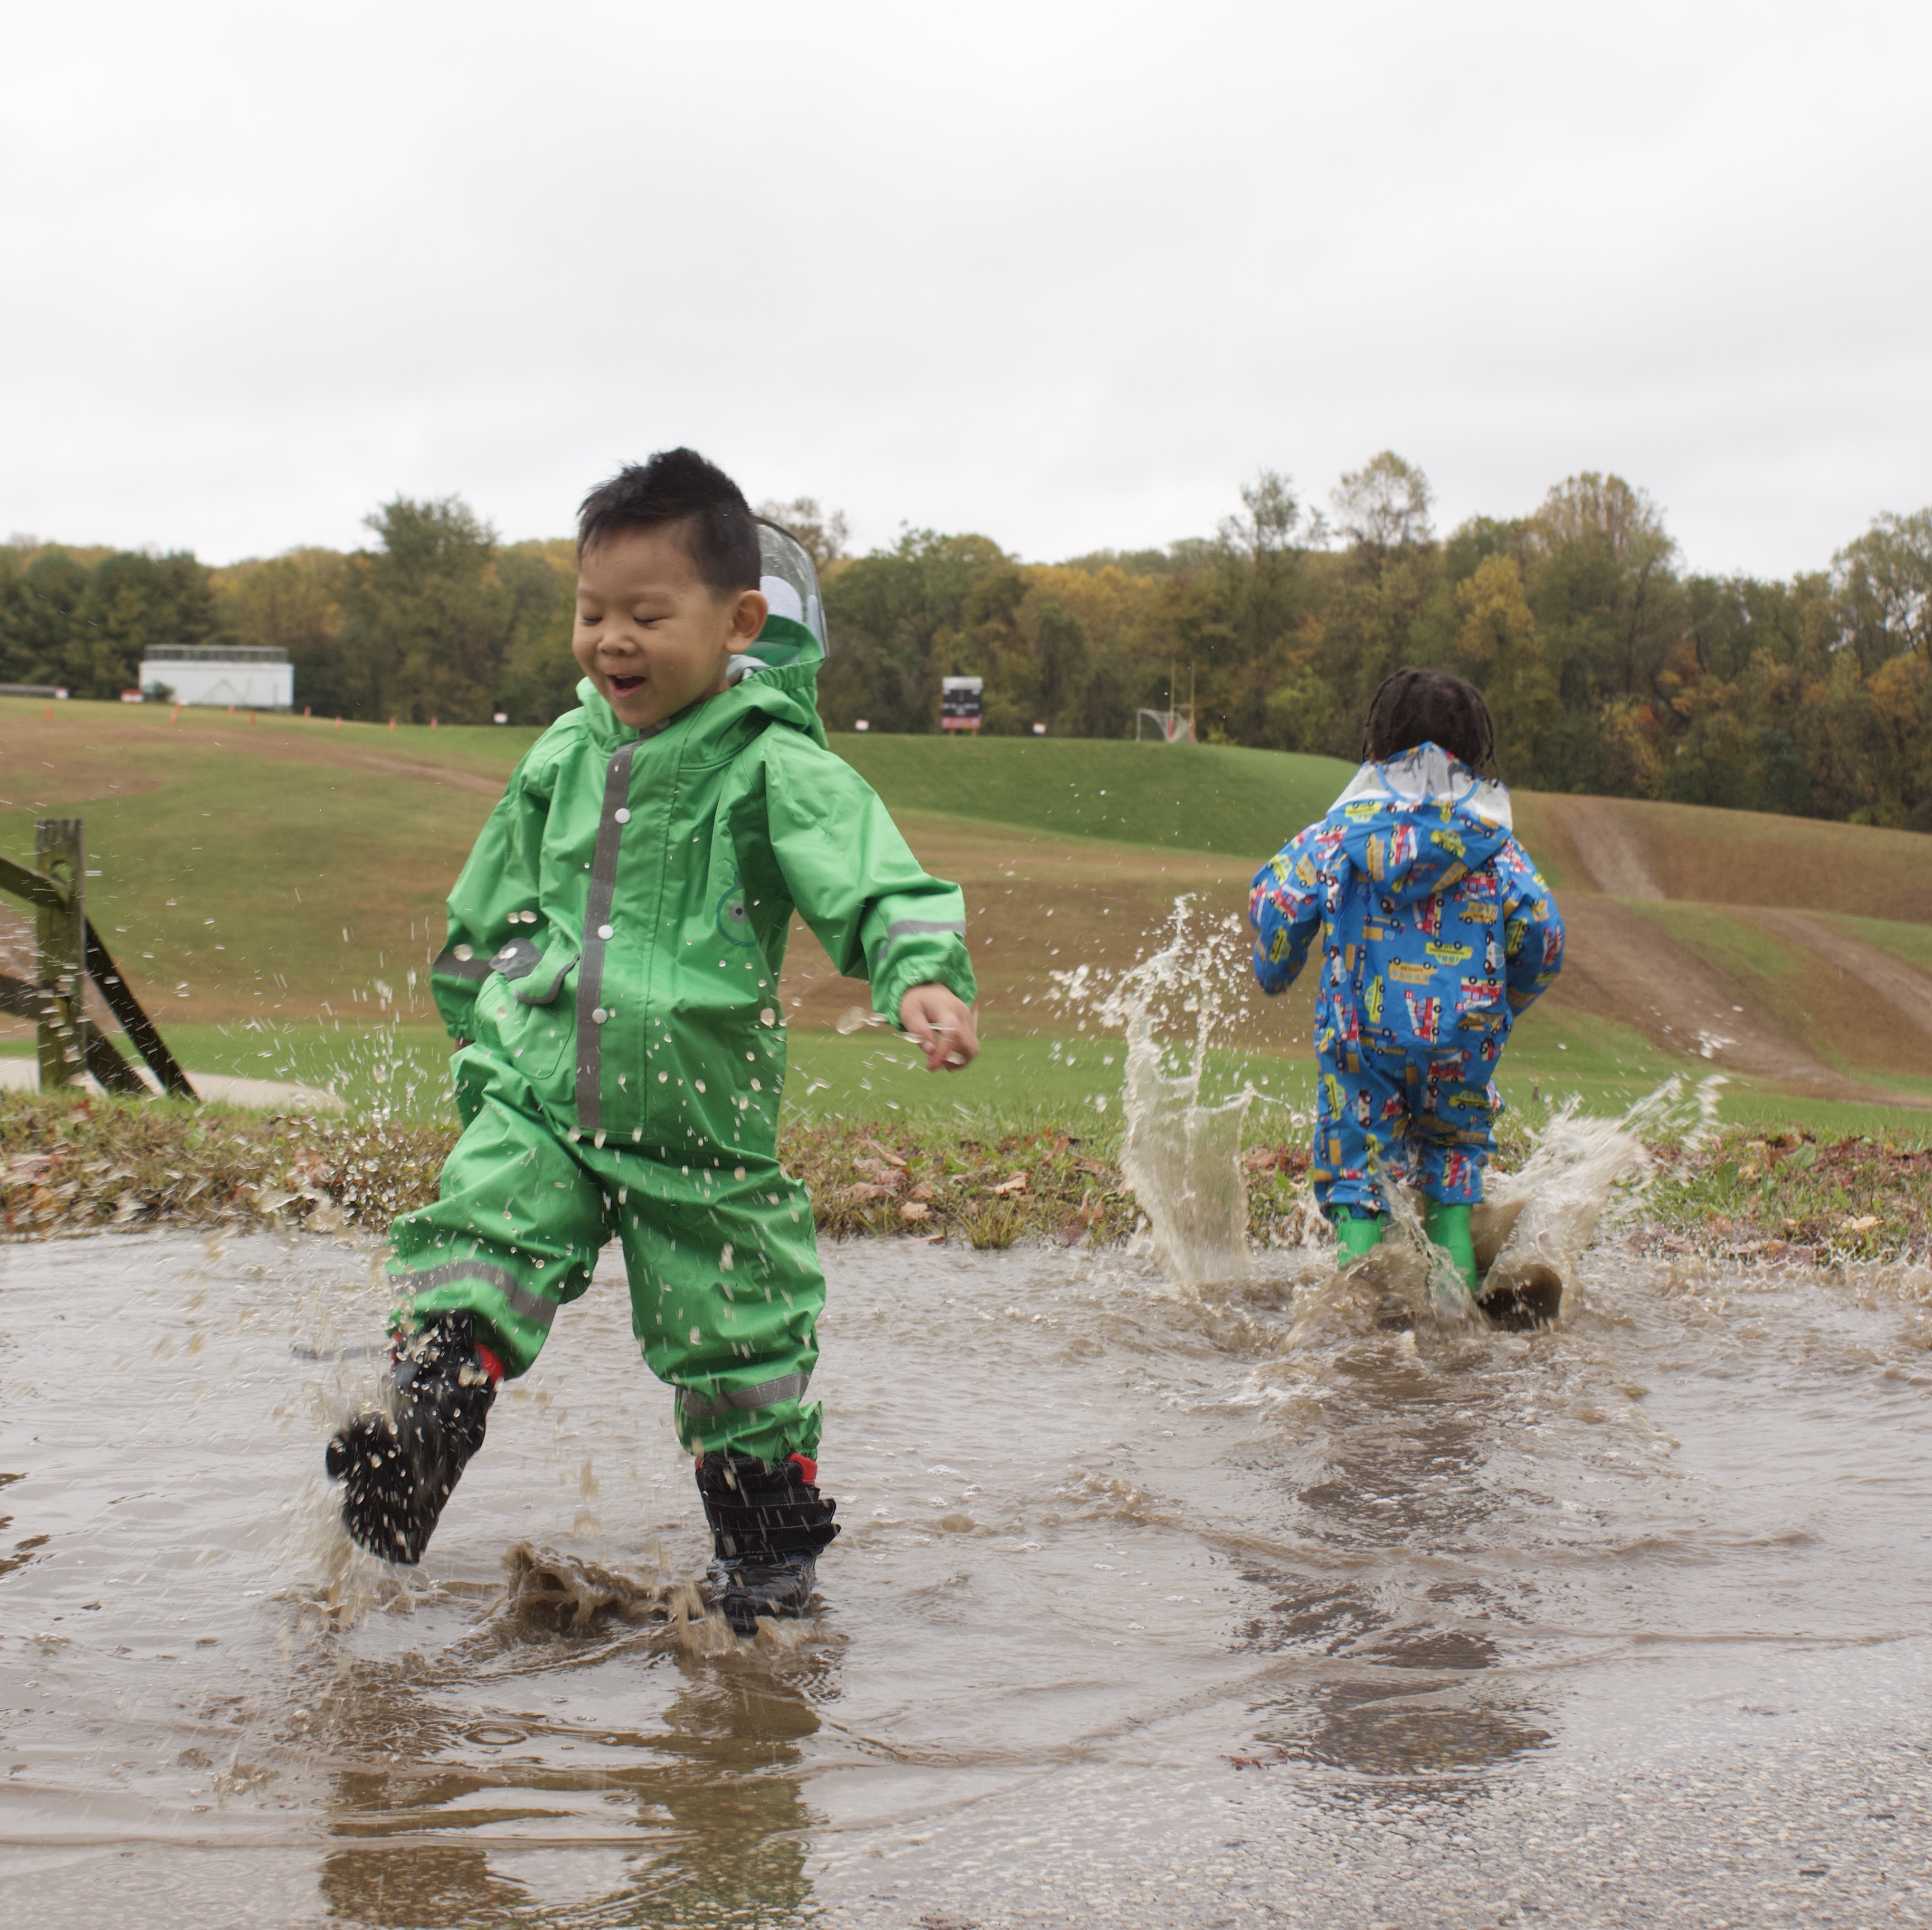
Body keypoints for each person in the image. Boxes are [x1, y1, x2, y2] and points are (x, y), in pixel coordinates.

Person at [324, 448, 979, 1632]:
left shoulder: (779, 765)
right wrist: (488, 1050)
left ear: (739, 625)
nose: (610, 641)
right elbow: (489, 917)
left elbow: (879, 881)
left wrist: (920, 976)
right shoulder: (562, 756)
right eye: (591, 612)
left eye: (645, 615)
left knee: (743, 1338)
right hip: (540, 1099)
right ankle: (419, 1420)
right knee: (481, 1244)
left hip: (700, 1124)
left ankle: (767, 1544)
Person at [1248, 667, 1563, 1291]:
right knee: (1452, 1185)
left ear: (1376, 747)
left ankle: (1351, 1318)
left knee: (1357, 1181)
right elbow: (1544, 941)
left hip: (1361, 1047)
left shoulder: (1338, 836)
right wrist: (1498, 1009)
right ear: (1475, 756)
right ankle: (1458, 1321)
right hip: (1462, 1052)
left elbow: (1279, 908)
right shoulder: (1498, 850)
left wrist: (1274, 971)